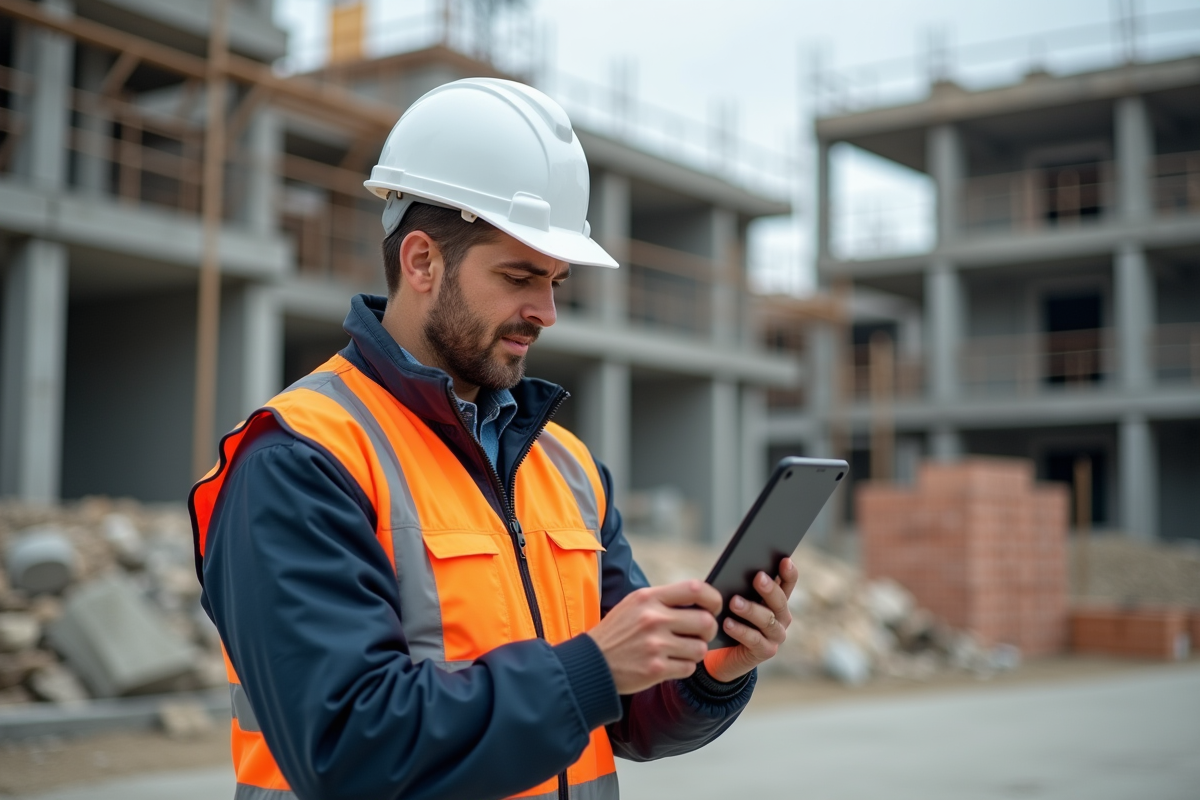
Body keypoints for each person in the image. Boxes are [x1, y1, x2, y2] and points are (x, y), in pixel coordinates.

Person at [191, 78, 799, 800]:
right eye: (519, 276)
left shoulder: (568, 468)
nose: (545, 311)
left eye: (556, 282)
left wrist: (711, 670)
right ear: (421, 262)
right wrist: (591, 669)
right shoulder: (300, 459)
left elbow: (629, 717)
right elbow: (347, 745)